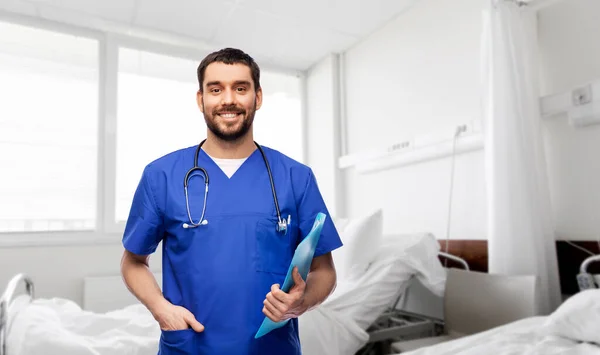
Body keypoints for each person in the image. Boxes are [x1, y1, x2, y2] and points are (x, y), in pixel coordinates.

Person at [120, 47, 343, 355]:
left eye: (241, 88)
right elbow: (132, 262)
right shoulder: (161, 175)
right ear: (201, 99)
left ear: (258, 97)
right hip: (189, 347)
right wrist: (161, 309)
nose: (228, 99)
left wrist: (300, 303)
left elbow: (325, 271)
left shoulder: (296, 177)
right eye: (215, 89)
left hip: (272, 348)